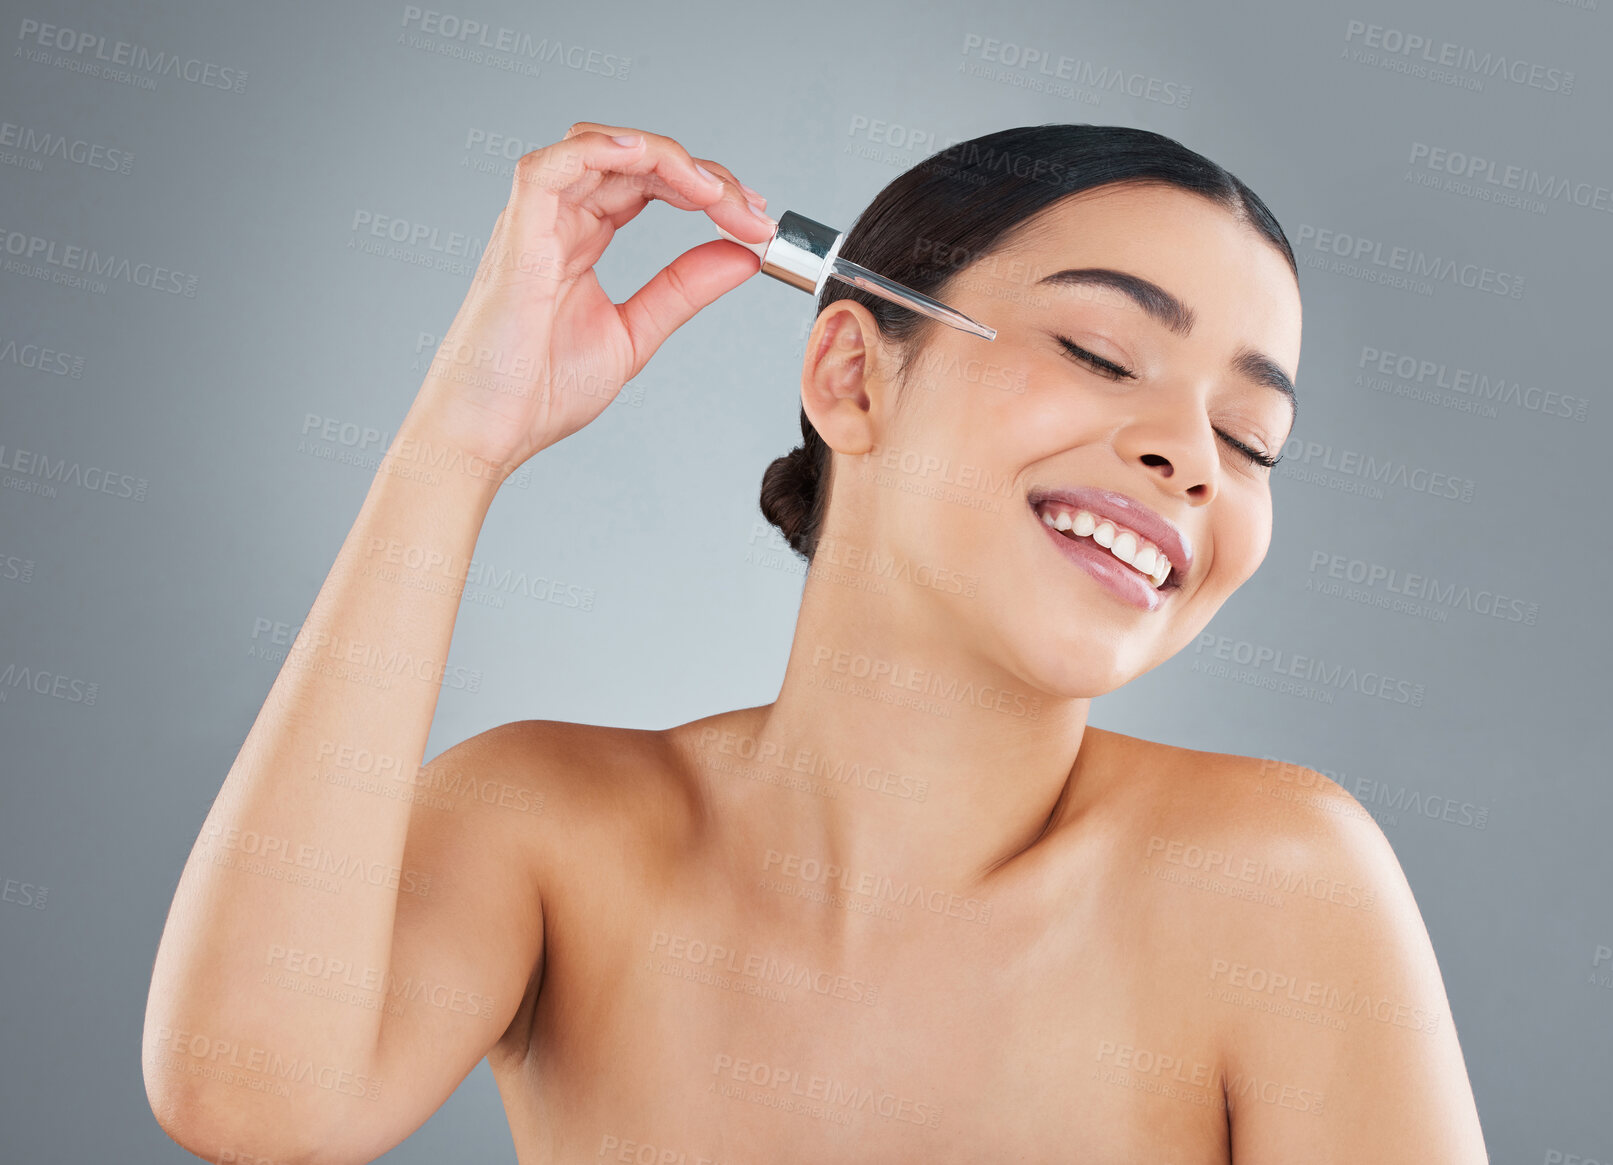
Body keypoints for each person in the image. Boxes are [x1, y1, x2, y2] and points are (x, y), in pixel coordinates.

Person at [142, 121, 1489, 1163]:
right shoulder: (547, 826)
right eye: (1100, 348)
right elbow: (250, 1101)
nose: (1191, 457)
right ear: (851, 373)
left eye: (1253, 440)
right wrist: (459, 444)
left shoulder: (1280, 890)